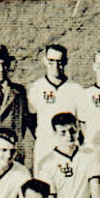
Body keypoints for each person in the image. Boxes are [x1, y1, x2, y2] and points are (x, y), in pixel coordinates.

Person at [37, 113, 100, 198]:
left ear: (78, 129)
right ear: (54, 134)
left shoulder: (89, 156)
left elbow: (95, 190)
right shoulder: (46, 163)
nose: (69, 136)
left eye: (72, 131)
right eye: (63, 132)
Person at [28, 44, 84, 173]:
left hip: (69, 146)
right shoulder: (36, 88)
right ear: (45, 60)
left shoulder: (76, 89)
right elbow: (31, 119)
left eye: (59, 62)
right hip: (45, 146)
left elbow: (81, 122)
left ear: (65, 62)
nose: (55, 66)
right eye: (51, 61)